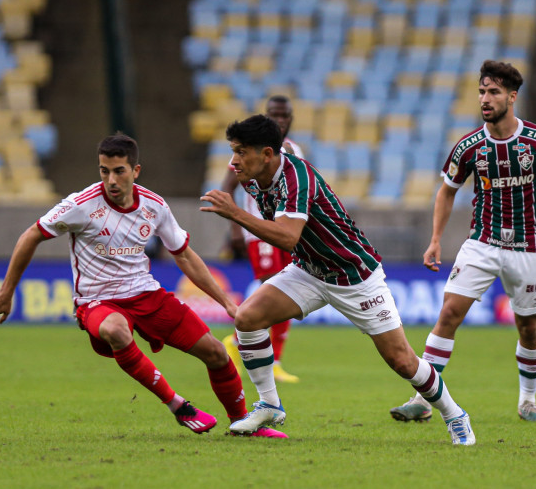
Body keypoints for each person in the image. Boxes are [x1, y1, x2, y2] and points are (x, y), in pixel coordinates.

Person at [0, 133, 286, 438]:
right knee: (115, 330)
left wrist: (227, 303)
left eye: (119, 171)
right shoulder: (81, 205)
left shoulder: (154, 206)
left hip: (146, 295)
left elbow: (185, 256)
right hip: (97, 301)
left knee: (216, 353)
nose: (111, 180)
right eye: (104, 171)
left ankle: (242, 426)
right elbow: (31, 235)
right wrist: (7, 291)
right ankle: (178, 405)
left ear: (135, 171)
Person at [200, 114, 476, 445]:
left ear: (267, 154)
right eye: (232, 151)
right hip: (309, 271)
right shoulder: (253, 178)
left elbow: (287, 237)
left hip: (355, 276)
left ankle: (454, 414)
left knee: (402, 361)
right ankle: (270, 405)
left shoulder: (296, 178)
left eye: (241, 152)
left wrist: (236, 214)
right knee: (247, 319)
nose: (233, 161)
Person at [389, 60, 536, 424]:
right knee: (449, 314)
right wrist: (436, 239)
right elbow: (446, 192)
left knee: (529, 328)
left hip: (529, 247)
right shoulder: (469, 146)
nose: (485, 99)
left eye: (493, 92)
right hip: (482, 243)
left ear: (512, 97)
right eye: (482, 92)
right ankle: (423, 400)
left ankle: (528, 403)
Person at [221, 95, 304, 384]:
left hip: (286, 230)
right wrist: (234, 229)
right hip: (260, 232)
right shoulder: (250, 152)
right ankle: (236, 340)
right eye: (274, 115)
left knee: (287, 290)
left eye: (285, 115)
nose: (281, 120)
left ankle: (273, 358)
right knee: (272, 283)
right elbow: (228, 186)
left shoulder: (296, 150)